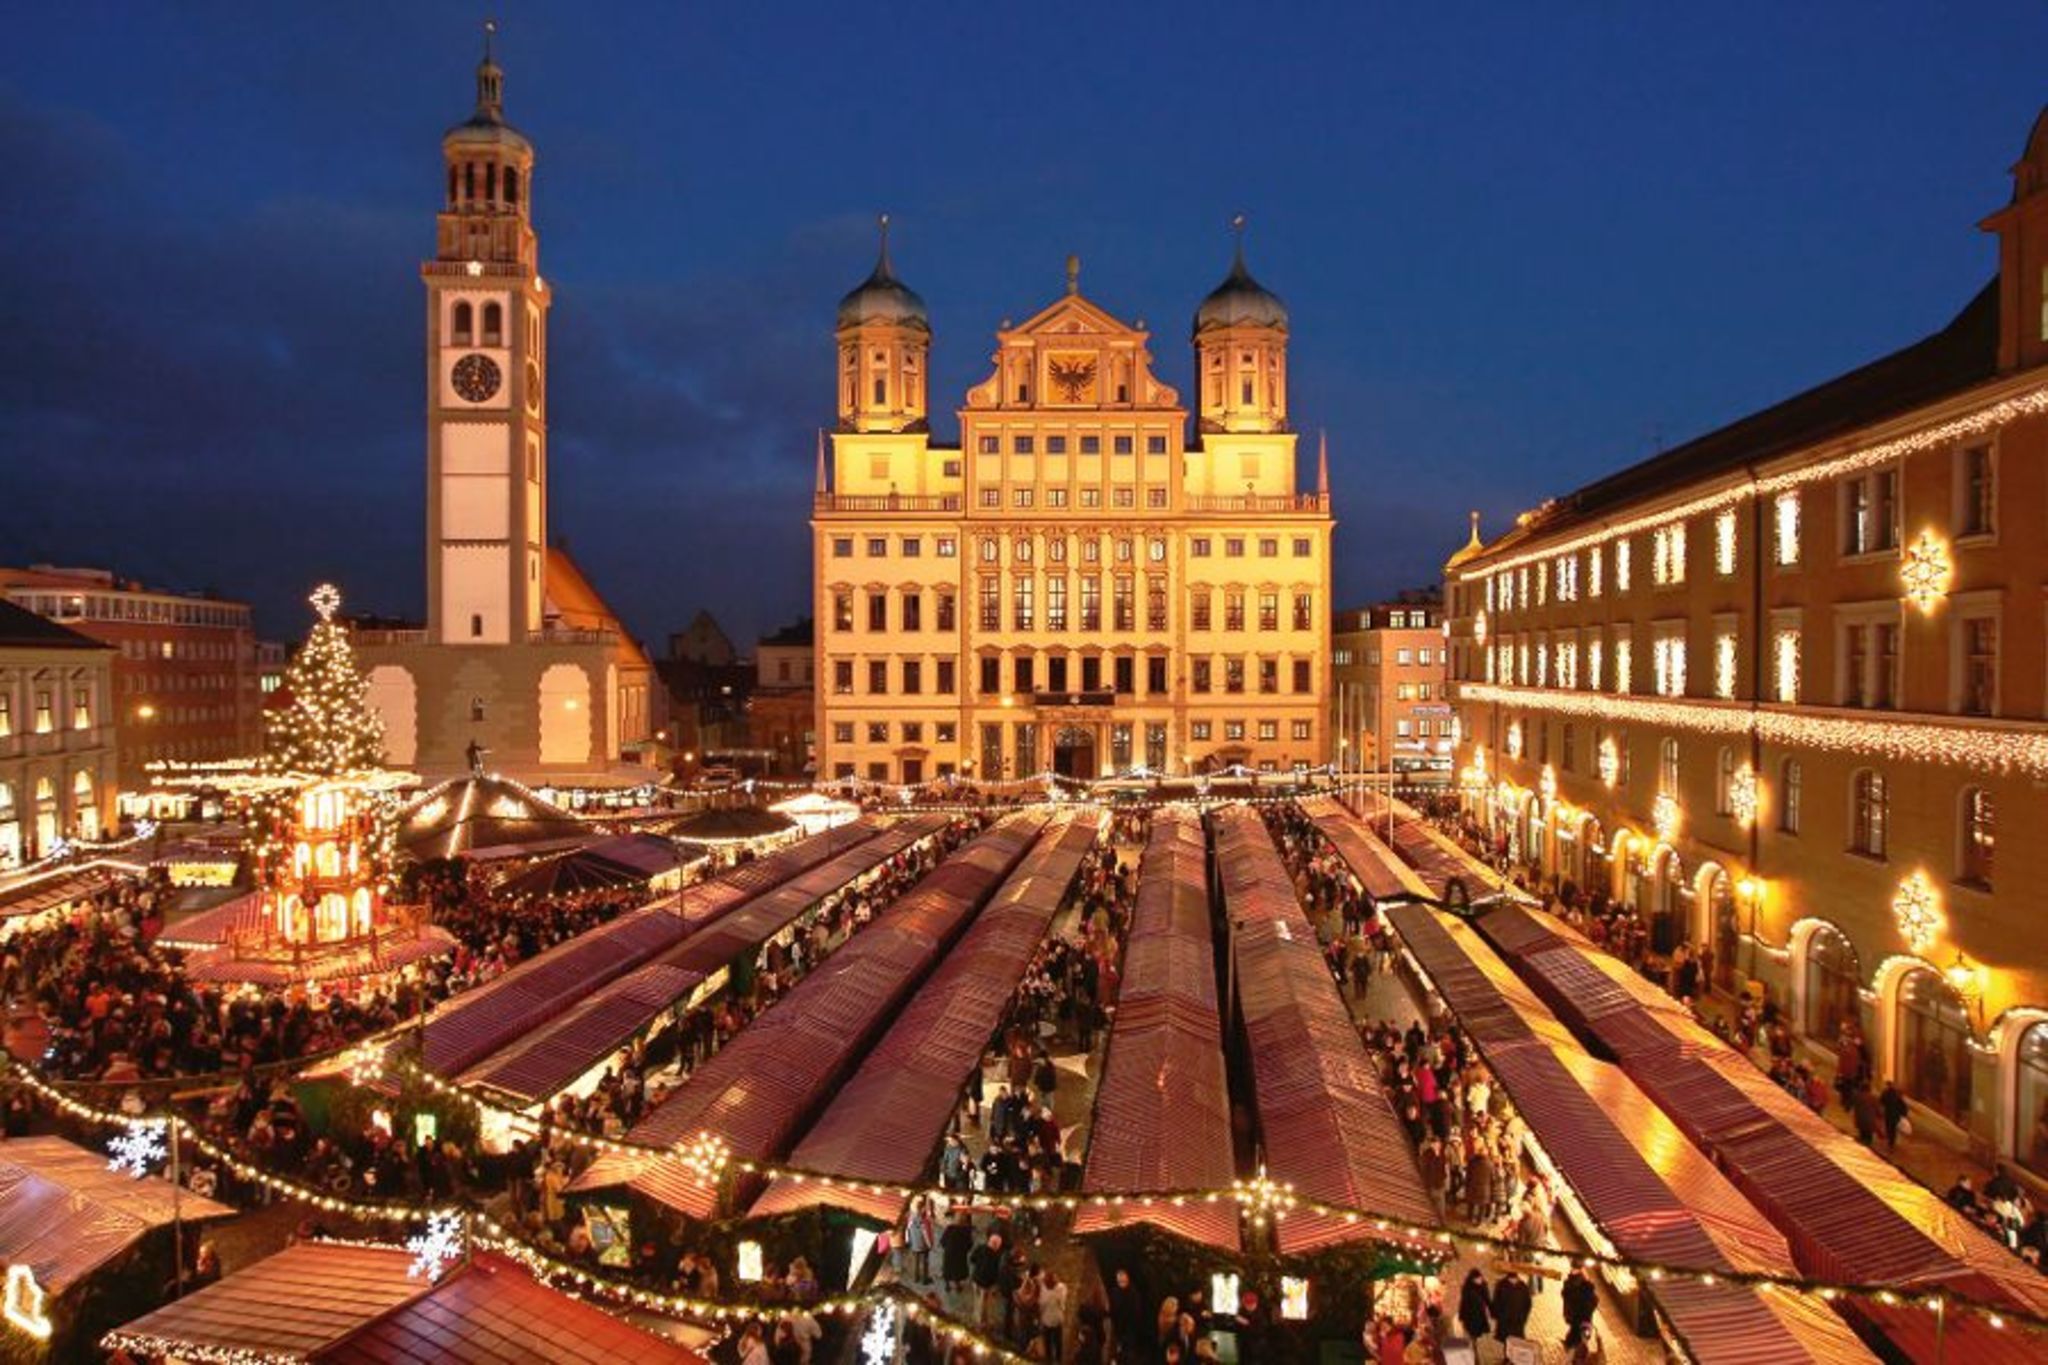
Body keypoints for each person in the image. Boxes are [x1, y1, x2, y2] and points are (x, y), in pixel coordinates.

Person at [1561, 1267, 1598, 1351]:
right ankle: (1572, 1347)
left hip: (1583, 1318)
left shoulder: (1586, 1289)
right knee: (1577, 1334)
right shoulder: (1572, 1288)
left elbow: (1594, 1301)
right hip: (1578, 1318)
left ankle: (1574, 1347)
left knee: (1582, 1335)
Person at [1492, 1269, 1532, 1345]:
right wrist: (1523, 1318)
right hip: (1516, 1321)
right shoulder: (1523, 1286)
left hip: (1506, 1321)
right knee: (1514, 1343)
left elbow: (1496, 1303)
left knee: (1507, 1343)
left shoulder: (1501, 1285)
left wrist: (1497, 1316)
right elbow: (1528, 1305)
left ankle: (1508, 1352)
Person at [940, 1210, 975, 1298]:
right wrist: (964, 1250)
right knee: (957, 1271)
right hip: (960, 1255)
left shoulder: (949, 1228)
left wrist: (946, 1247)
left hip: (949, 1253)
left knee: (948, 1269)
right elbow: (970, 1244)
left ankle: (947, 1285)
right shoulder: (966, 1231)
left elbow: (942, 1241)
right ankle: (957, 1285)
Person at [1456, 1268, 1492, 1343]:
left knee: (1476, 1333)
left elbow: (1487, 1299)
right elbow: (1464, 1303)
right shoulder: (1467, 1288)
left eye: (1480, 1278)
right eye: (1477, 1279)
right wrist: (1461, 1316)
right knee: (1471, 1333)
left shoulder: (1483, 1287)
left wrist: (1492, 1310)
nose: (1479, 1280)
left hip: (1479, 1314)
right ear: (1473, 1279)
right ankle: (1473, 1345)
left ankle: (1474, 1345)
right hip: (1470, 1315)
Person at [1880, 1080, 1909, 1150]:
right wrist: (1903, 1114)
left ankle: (1890, 1140)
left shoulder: (1885, 1093)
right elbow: (1903, 1105)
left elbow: (1881, 1101)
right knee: (1893, 1128)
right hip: (1896, 1115)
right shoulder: (1897, 1095)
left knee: (1888, 1127)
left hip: (1888, 1113)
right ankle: (1892, 1141)